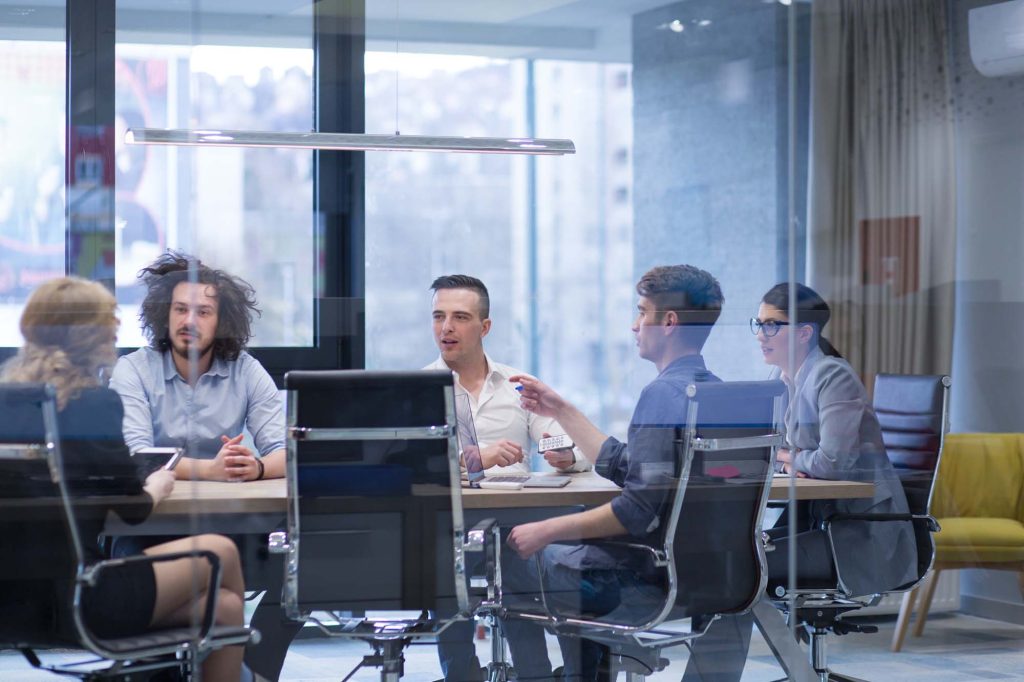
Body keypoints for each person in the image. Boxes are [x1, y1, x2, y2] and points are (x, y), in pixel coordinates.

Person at [0, 277, 246, 680]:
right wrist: (157, 484)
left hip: (12, 604)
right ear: (94, 337)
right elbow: (134, 511)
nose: (116, 330)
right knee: (222, 550)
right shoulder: (93, 404)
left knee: (226, 609)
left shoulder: (8, 399)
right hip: (83, 596)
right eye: (110, 323)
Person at [498, 264, 725, 682]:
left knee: (507, 557)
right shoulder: (712, 391)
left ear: (669, 322)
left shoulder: (662, 395)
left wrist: (546, 530)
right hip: (706, 575)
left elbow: (637, 509)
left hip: (642, 581)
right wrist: (561, 410)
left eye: (642, 312)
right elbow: (634, 470)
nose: (634, 325)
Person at [683, 282, 918, 681]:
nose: (761, 333)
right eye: (758, 323)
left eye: (772, 325)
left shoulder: (832, 376)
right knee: (724, 562)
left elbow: (831, 462)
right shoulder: (784, 377)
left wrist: (784, 457)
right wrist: (781, 457)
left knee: (733, 572)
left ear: (805, 332)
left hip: (857, 534)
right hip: (819, 523)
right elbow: (785, 452)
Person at [426, 274, 588, 682]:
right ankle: (463, 675)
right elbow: (407, 468)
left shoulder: (517, 385)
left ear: (485, 327)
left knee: (526, 551)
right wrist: (476, 457)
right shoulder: (419, 388)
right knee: (446, 566)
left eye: (460, 317)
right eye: (438, 316)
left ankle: (561, 673)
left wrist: (563, 453)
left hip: (518, 522)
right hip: (451, 529)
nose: (446, 328)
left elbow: (575, 448)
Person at [109, 251, 285, 481]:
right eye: (181, 309)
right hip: (156, 510)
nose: (189, 321)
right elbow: (135, 455)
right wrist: (210, 470)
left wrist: (255, 467)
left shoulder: (246, 371)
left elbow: (287, 452)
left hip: (229, 509)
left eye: (203, 312)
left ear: (222, 323)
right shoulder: (133, 370)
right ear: (166, 316)